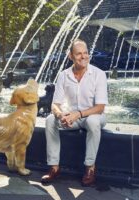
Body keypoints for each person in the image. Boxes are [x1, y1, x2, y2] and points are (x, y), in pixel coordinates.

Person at [41, 39, 108, 186]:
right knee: (50, 120)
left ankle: (90, 168)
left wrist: (77, 114)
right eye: (79, 54)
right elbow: (55, 104)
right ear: (70, 56)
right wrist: (61, 115)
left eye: (85, 53)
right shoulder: (64, 75)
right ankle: (54, 167)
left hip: (94, 116)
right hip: (73, 118)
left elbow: (100, 107)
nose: (83, 57)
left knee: (92, 121)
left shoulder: (99, 74)